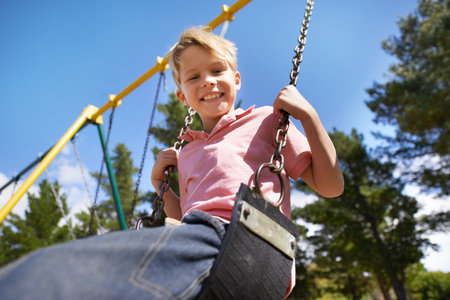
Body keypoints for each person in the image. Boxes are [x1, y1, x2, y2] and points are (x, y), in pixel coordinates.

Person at [0, 27, 343, 300]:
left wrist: (309, 117)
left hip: (249, 242)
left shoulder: (266, 121)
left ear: (236, 79)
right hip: (202, 244)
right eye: (193, 77)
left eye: (217, 70)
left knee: (52, 273)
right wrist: (159, 186)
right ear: (183, 96)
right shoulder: (188, 152)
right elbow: (183, 217)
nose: (207, 80)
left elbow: (330, 187)